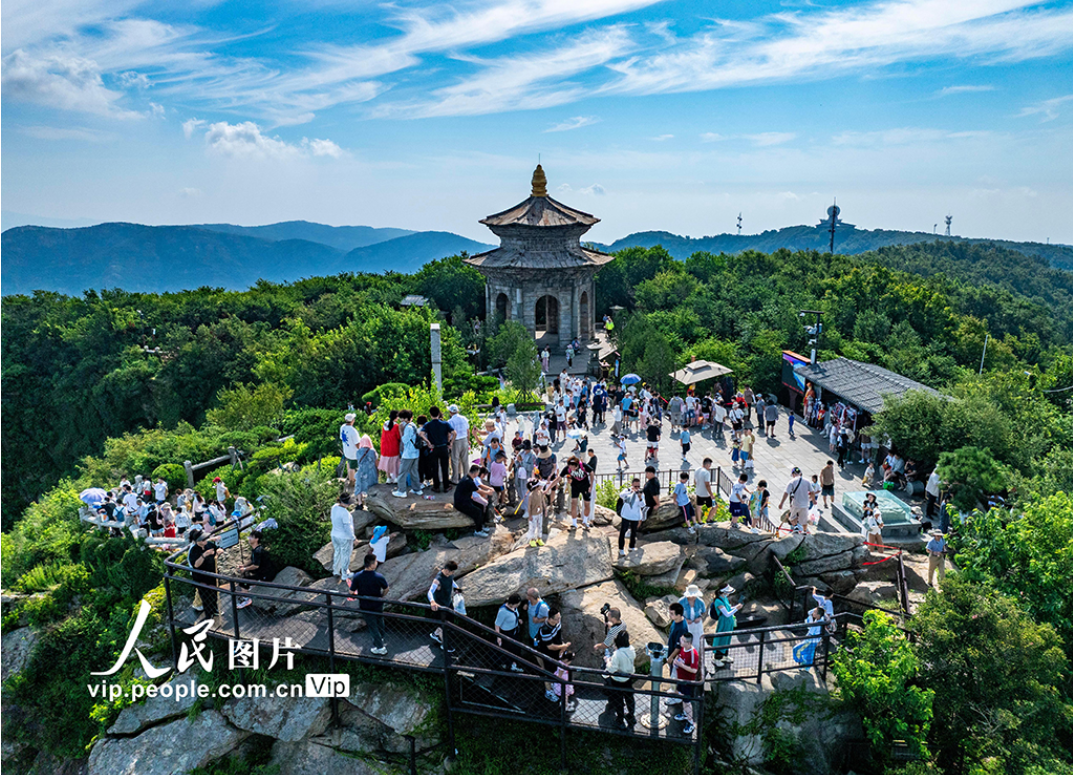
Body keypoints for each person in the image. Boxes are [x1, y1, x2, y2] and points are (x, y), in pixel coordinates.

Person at [351, 552, 390, 655]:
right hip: (378, 603)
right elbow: (386, 588)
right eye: (376, 561)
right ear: (372, 564)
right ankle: (380, 642)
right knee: (380, 622)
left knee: (372, 626)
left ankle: (380, 646)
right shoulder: (379, 576)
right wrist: (381, 596)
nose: (377, 563)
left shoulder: (358, 576)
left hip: (365, 605)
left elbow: (351, 591)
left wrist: (356, 594)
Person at [604, 629, 636, 729]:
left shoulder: (617, 654)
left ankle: (620, 719)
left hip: (617, 680)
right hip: (628, 678)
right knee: (629, 698)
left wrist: (607, 661)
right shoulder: (631, 649)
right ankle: (631, 715)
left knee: (618, 700)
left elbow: (612, 669)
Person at [537, 608, 572, 700]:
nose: (559, 620)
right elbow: (550, 646)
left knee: (555, 670)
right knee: (548, 672)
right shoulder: (545, 629)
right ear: (550, 619)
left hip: (557, 651)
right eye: (557, 619)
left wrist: (562, 647)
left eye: (560, 618)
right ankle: (548, 692)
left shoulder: (557, 623)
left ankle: (554, 685)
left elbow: (558, 636)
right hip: (547, 653)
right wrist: (563, 646)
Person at [551, 455, 594, 531]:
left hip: (585, 486)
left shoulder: (583, 466)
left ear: (577, 465)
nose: (572, 469)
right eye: (570, 467)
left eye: (573, 467)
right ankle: (574, 523)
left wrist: (591, 485)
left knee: (587, 504)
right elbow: (559, 478)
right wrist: (549, 487)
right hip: (575, 486)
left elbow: (591, 472)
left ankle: (585, 521)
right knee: (573, 504)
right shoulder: (567, 469)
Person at [187, 528, 220, 624]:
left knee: (214, 593)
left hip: (212, 574)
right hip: (201, 577)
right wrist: (204, 555)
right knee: (205, 597)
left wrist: (219, 551)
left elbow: (217, 549)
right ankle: (209, 615)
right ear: (198, 541)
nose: (206, 540)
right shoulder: (194, 550)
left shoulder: (209, 544)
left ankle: (215, 609)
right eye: (203, 539)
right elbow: (196, 564)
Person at [235, 529, 273, 609]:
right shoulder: (256, 549)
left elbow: (256, 565)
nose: (249, 538)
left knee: (242, 581)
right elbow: (252, 561)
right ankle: (250, 587)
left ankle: (246, 599)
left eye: (251, 537)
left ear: (257, 539)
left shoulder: (258, 551)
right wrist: (243, 566)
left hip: (265, 574)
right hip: (262, 571)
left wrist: (245, 569)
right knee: (245, 575)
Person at [428, 560, 460, 651]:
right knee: (443, 626)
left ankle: (435, 634)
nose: (453, 573)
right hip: (440, 606)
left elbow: (451, 581)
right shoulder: (438, 579)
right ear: (446, 570)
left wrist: (457, 588)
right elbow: (430, 592)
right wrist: (432, 602)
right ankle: (445, 645)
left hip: (448, 603)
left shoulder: (449, 575)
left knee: (449, 623)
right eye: (452, 572)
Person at [671, 632, 699, 735]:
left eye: (683, 640)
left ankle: (691, 722)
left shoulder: (693, 654)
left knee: (687, 702)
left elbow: (694, 670)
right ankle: (685, 714)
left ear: (688, 643)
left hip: (688, 682)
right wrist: (676, 661)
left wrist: (680, 665)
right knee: (683, 697)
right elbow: (680, 658)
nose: (680, 641)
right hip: (681, 679)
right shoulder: (683, 649)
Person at [423, 406, 456, 493]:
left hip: (434, 448)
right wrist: (451, 443)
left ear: (430, 415)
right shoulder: (445, 424)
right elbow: (454, 433)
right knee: (445, 467)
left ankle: (436, 486)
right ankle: (446, 486)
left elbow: (421, 433)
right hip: (443, 447)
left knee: (435, 467)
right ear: (439, 414)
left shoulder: (428, 425)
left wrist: (428, 442)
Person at [455, 464, 492, 537]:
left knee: (481, 506)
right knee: (477, 512)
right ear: (476, 473)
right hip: (461, 503)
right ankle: (478, 531)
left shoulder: (467, 477)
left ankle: (480, 526)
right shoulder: (469, 481)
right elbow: (478, 491)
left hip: (466, 499)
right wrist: (488, 492)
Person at [393, 410, 424, 497]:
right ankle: (417, 489)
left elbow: (404, 440)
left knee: (402, 472)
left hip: (408, 454)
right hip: (416, 453)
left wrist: (401, 431)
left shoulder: (407, 428)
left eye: (402, 418)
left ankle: (401, 491)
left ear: (406, 418)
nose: (401, 420)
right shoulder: (413, 425)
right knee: (414, 472)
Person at [710, 584, 741, 669]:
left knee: (727, 639)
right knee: (721, 639)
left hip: (728, 623)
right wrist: (737, 609)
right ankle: (717, 658)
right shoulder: (718, 601)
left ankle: (724, 655)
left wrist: (735, 607)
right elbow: (726, 614)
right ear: (724, 592)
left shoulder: (725, 598)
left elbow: (729, 609)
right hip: (723, 623)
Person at [330, 493, 357, 583]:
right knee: (345, 555)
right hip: (344, 537)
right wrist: (353, 538)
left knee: (337, 552)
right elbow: (347, 528)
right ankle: (345, 574)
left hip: (334, 534)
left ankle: (336, 570)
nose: (349, 505)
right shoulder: (345, 513)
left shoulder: (334, 507)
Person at [495, 593, 526, 673]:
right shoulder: (503, 611)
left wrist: (518, 620)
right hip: (507, 633)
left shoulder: (513, 608)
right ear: (512, 604)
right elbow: (497, 624)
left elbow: (514, 615)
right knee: (509, 650)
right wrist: (499, 637)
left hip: (514, 631)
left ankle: (513, 664)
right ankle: (509, 665)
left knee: (516, 648)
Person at [665, 602, 689, 703]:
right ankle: (673, 690)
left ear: (679, 615)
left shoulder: (682, 628)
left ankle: (676, 697)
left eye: (672, 613)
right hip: (673, 652)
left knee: (675, 676)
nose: (670, 615)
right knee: (673, 674)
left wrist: (671, 657)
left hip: (678, 657)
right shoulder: (676, 622)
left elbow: (679, 647)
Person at [680, 585, 706, 675]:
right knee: (686, 642)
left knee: (698, 642)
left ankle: (697, 661)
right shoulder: (681, 601)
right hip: (686, 625)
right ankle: (686, 660)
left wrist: (699, 618)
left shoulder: (700, 602)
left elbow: (703, 612)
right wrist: (685, 619)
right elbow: (677, 614)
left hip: (697, 625)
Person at [615, 478, 645, 556]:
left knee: (634, 532)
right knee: (623, 531)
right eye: (635, 486)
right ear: (632, 485)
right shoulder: (627, 491)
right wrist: (630, 491)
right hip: (626, 515)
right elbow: (621, 495)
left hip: (635, 515)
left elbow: (643, 505)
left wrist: (640, 498)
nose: (637, 488)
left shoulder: (641, 494)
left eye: (638, 486)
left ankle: (631, 546)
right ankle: (621, 548)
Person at [447, 405, 470, 485]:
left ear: (450, 412)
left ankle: (455, 479)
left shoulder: (450, 421)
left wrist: (449, 442)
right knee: (465, 460)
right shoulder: (464, 418)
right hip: (464, 439)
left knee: (455, 460)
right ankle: (467, 477)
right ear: (457, 411)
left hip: (456, 441)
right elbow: (468, 430)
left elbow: (450, 434)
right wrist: (468, 440)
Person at [353, 435, 378, 508]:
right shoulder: (372, 451)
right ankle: (372, 503)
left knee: (359, 487)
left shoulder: (358, 452)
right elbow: (376, 462)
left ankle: (360, 503)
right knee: (371, 487)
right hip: (371, 472)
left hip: (361, 472)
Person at [378, 411, 401, 484]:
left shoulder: (385, 424)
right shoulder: (396, 426)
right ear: (396, 417)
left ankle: (388, 478)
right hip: (393, 447)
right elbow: (398, 437)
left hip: (384, 447)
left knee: (387, 463)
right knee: (395, 463)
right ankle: (396, 478)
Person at [340, 412, 360, 487]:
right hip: (353, 452)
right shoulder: (353, 431)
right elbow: (357, 444)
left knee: (349, 463)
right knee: (352, 467)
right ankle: (352, 481)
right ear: (352, 420)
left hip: (346, 450)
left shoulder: (342, 427)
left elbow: (341, 438)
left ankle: (350, 477)